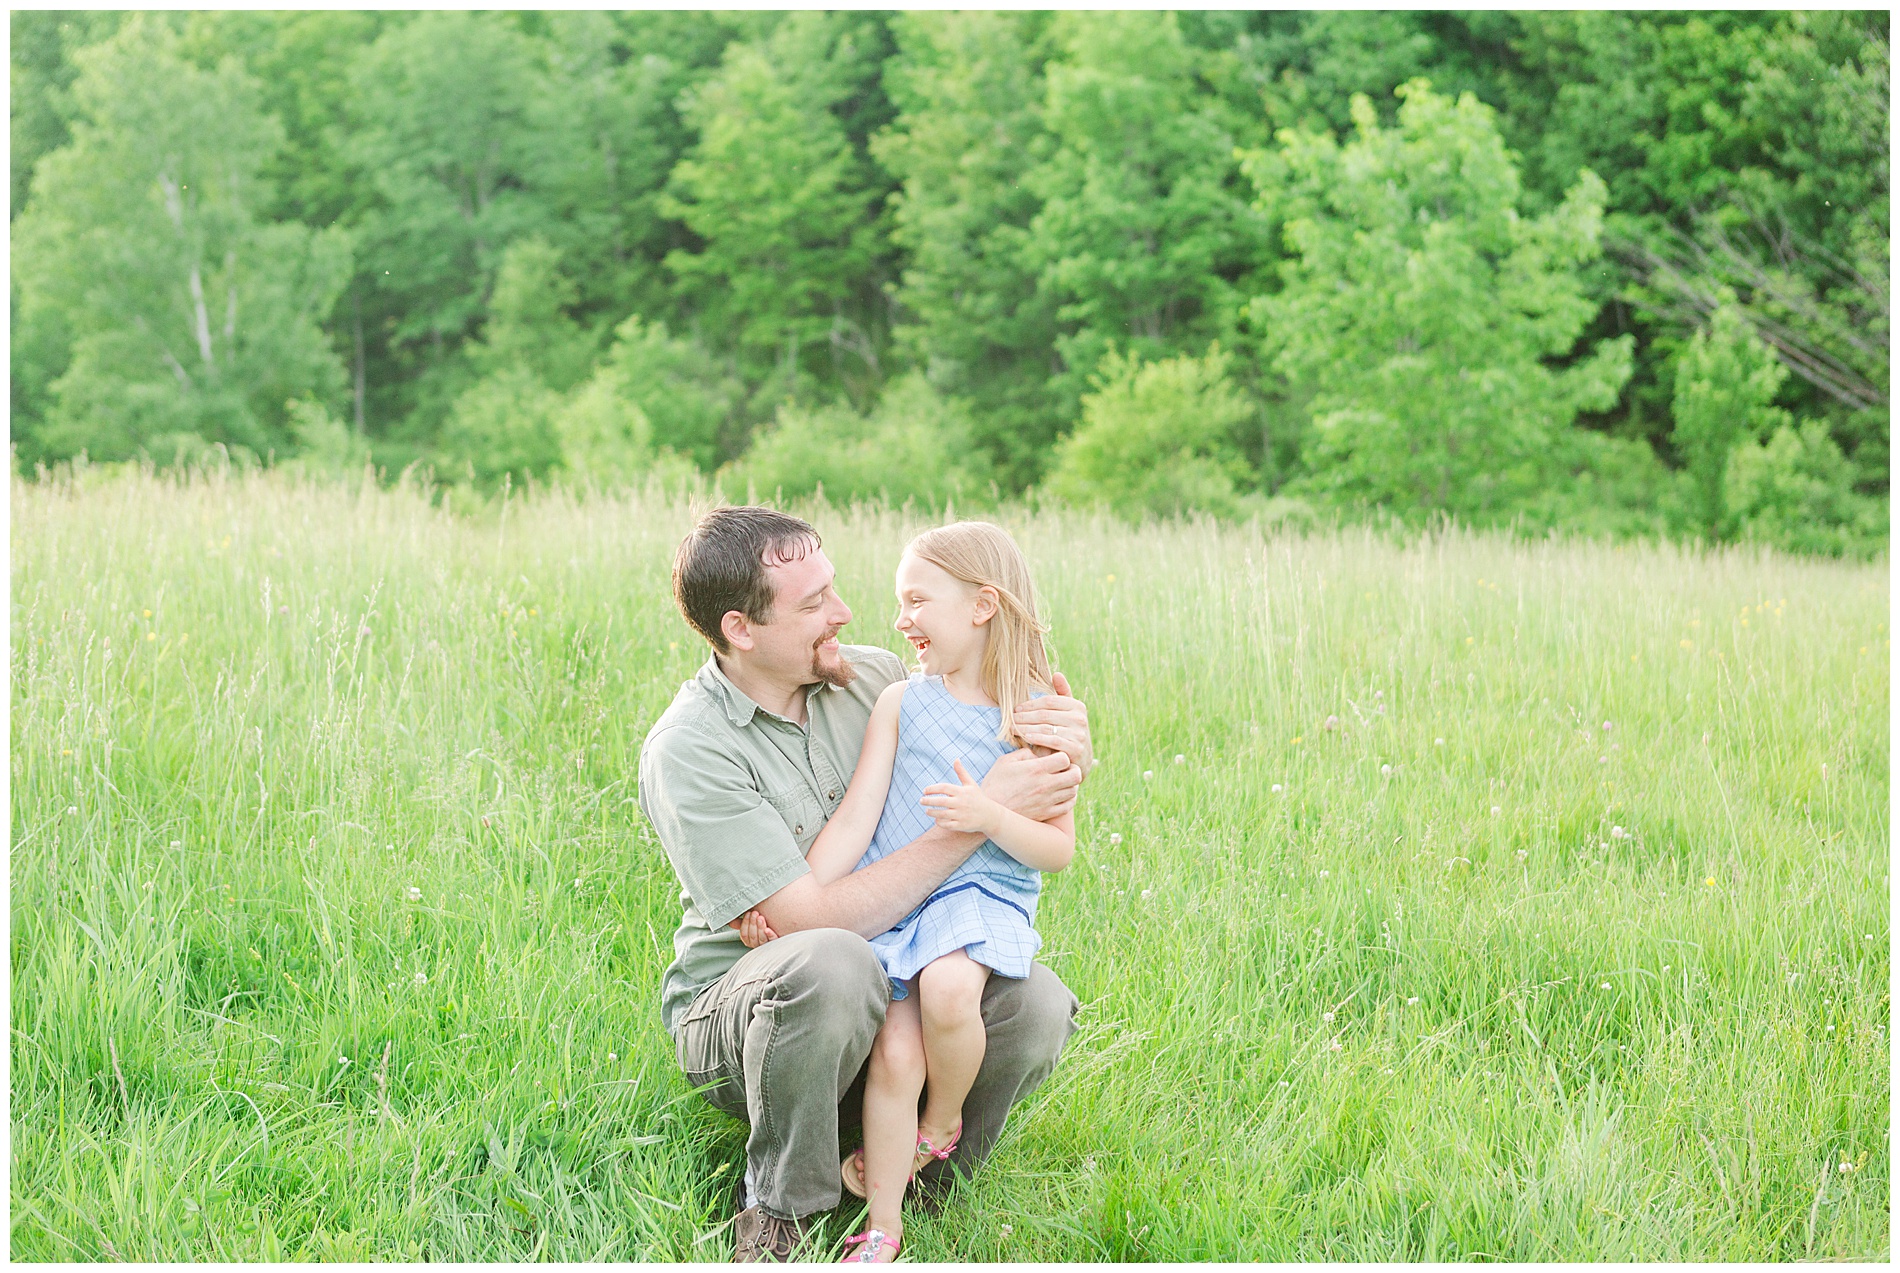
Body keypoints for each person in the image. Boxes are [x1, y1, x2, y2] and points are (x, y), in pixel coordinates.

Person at [637, 507, 1095, 1262]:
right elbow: (810, 924)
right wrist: (979, 814)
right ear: (741, 629)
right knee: (830, 959)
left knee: (1037, 1001)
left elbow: (998, 728)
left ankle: (920, 1172)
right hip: (749, 1014)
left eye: (834, 589)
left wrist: (1065, 747)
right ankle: (780, 1207)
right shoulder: (690, 749)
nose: (844, 614)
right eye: (813, 604)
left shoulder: (877, 677)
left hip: (898, 973)